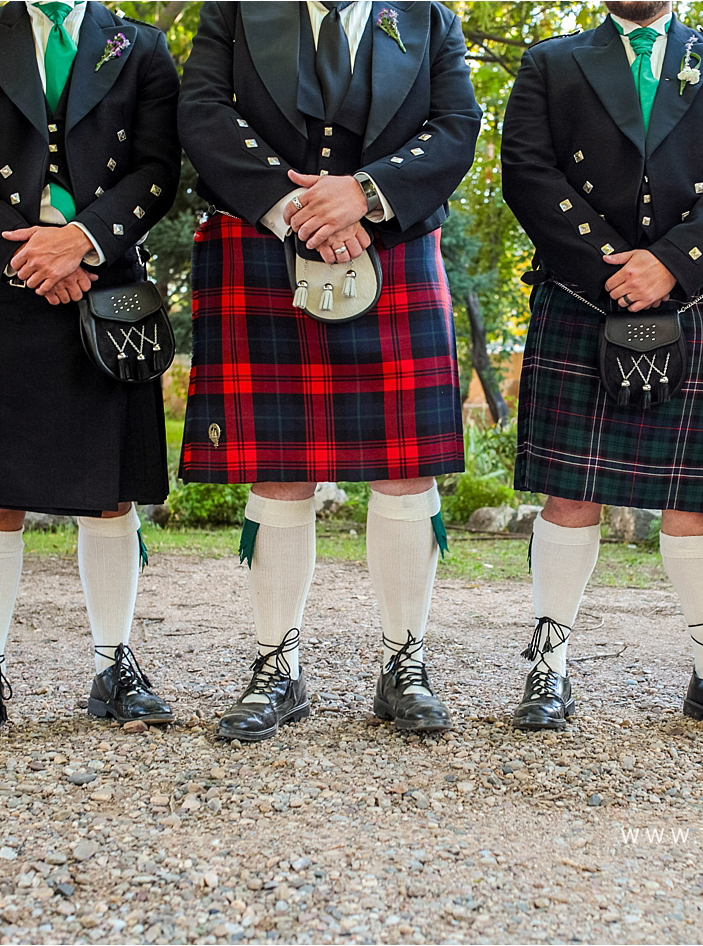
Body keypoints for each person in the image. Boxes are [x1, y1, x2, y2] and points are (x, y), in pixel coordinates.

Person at [175, 1, 481, 742]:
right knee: (279, 466)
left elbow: (455, 127)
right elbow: (204, 111)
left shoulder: (429, 18)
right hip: (262, 240)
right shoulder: (238, 11)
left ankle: (404, 661)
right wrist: (293, 207)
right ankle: (277, 664)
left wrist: (365, 193)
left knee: (406, 468)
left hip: (395, 242)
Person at [499, 0, 703, 733]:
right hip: (581, 292)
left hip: (691, 294)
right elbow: (527, 173)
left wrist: (672, 264)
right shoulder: (550, 62)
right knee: (570, 492)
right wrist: (613, 270)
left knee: (697, 498)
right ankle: (548, 668)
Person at [0, 0, 182, 747]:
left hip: (109, 286)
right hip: (6, 282)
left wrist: (84, 242)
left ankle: (112, 665)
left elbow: (158, 172)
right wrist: (27, 255)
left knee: (111, 495)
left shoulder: (140, 45)